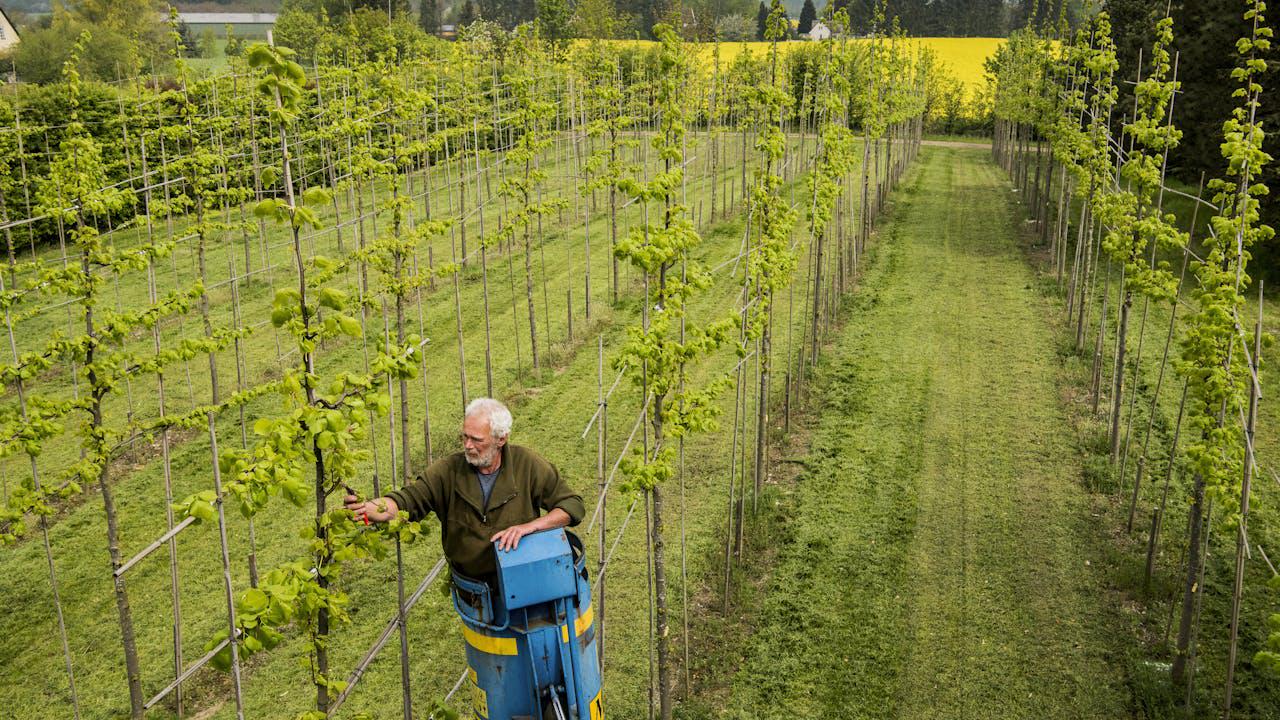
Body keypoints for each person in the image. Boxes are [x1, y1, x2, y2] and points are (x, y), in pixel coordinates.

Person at [343, 397, 585, 583]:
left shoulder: (527, 465)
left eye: (477, 440)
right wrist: (372, 509)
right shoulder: (448, 471)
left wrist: (529, 527)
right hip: (475, 591)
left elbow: (572, 505)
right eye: (465, 437)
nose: (468, 446)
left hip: (524, 579)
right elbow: (407, 500)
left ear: (501, 439)